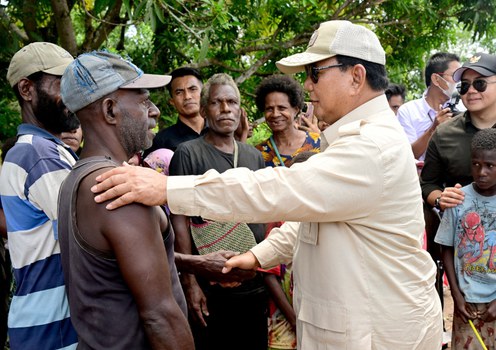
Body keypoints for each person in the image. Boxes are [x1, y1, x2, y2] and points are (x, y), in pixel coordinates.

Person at [90, 19, 443, 349]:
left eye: (314, 73)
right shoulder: (354, 140)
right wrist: (257, 256)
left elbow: (278, 189)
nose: (307, 85)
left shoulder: (372, 147)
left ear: (356, 76)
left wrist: (166, 189)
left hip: (378, 333)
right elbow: (313, 217)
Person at [58, 51, 194, 349]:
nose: (155, 110)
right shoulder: (120, 187)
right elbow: (159, 315)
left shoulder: (78, 177)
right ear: (110, 111)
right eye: (144, 100)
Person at [169, 73, 268, 350]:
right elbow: (180, 217)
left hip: (253, 281)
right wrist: (191, 283)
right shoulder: (187, 153)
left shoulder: (253, 156)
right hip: (211, 283)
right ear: (204, 110)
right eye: (217, 103)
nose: (226, 109)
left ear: (240, 110)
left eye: (232, 102)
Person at [0, 42, 78, 350]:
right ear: (26, 89)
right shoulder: (38, 154)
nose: (74, 95)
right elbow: (93, 236)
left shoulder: (50, 149)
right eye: (62, 85)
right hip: (52, 331)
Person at [435, 128, 496, 350]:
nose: (481, 172)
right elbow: (447, 247)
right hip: (466, 305)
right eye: (476, 164)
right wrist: (456, 295)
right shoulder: (459, 199)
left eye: (490, 165)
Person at [421, 52, 496, 212]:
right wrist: (441, 199)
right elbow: (427, 184)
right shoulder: (444, 133)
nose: (471, 91)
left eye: (480, 83)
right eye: (465, 85)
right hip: (462, 230)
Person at [397, 52, 461, 160]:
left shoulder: (462, 108)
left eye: (460, 78)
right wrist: (433, 129)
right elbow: (408, 155)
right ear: (436, 79)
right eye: (454, 76)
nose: (459, 82)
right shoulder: (408, 111)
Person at [254, 75, 320, 167]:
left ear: (296, 110)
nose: (275, 114)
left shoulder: (318, 141)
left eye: (282, 108)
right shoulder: (258, 153)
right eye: (269, 109)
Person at [145, 67, 205, 154]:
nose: (187, 96)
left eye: (192, 89)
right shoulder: (160, 142)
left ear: (203, 93)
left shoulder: (220, 131)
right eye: (179, 92)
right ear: (172, 101)